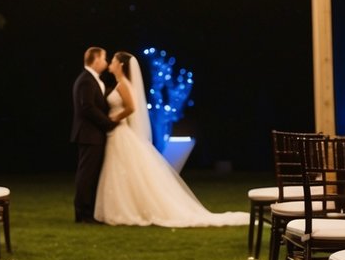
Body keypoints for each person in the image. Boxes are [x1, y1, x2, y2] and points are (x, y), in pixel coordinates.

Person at [94, 51, 250, 227]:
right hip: (118, 133)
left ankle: (127, 209)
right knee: (121, 171)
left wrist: (116, 117)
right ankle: (123, 206)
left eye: (113, 60)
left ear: (121, 65)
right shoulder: (121, 84)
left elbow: (131, 107)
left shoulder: (123, 84)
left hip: (120, 131)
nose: (111, 63)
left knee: (123, 169)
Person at [71, 46, 116, 223]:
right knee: (86, 174)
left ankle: (88, 211)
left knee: (91, 174)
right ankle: (83, 213)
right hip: (89, 135)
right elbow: (87, 107)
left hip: (93, 134)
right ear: (96, 59)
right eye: (104, 59)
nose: (105, 63)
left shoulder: (92, 80)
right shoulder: (86, 80)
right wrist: (108, 123)